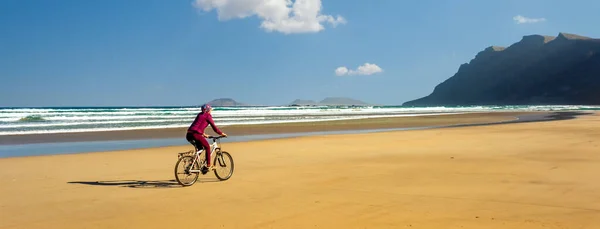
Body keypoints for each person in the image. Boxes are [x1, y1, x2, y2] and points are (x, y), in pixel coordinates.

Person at [186, 104, 227, 172]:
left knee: (200, 148)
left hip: (189, 134)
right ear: (208, 110)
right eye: (210, 109)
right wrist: (221, 133)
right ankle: (208, 165)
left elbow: (197, 125)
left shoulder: (200, 114)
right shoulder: (208, 116)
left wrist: (203, 134)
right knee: (207, 147)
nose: (211, 111)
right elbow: (214, 128)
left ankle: (192, 164)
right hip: (196, 134)